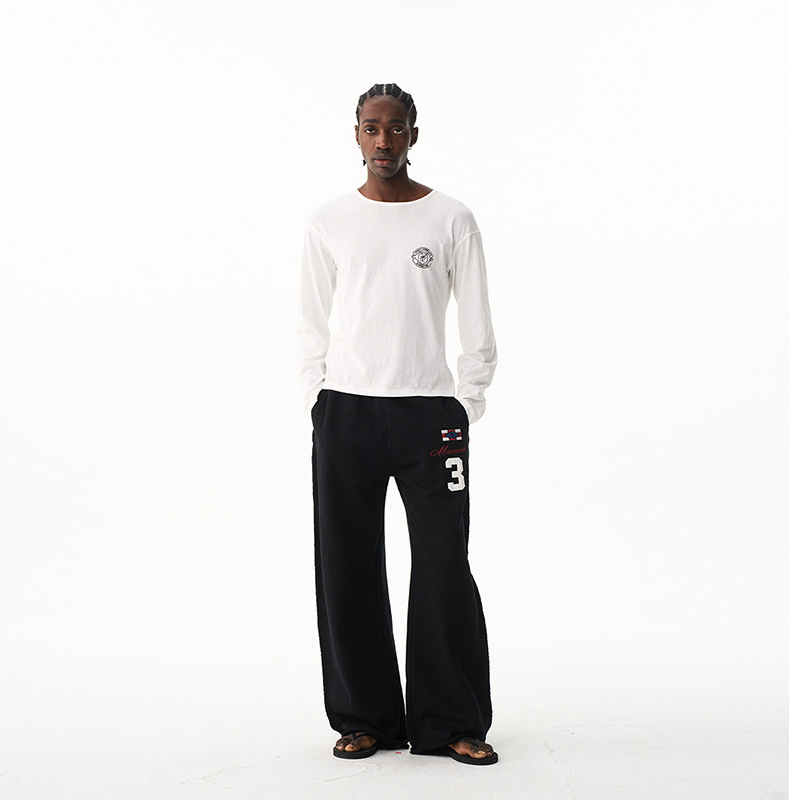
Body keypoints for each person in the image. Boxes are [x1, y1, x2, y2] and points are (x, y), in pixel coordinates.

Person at [297, 83, 499, 765]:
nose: (383, 140)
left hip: (429, 416)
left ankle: (451, 721)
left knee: (443, 565)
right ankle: (365, 718)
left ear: (414, 134)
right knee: (346, 565)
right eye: (370, 127)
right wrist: (318, 399)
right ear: (356, 134)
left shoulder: (451, 218)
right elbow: (310, 322)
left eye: (395, 128)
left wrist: (465, 402)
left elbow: (477, 323)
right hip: (347, 410)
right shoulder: (329, 221)